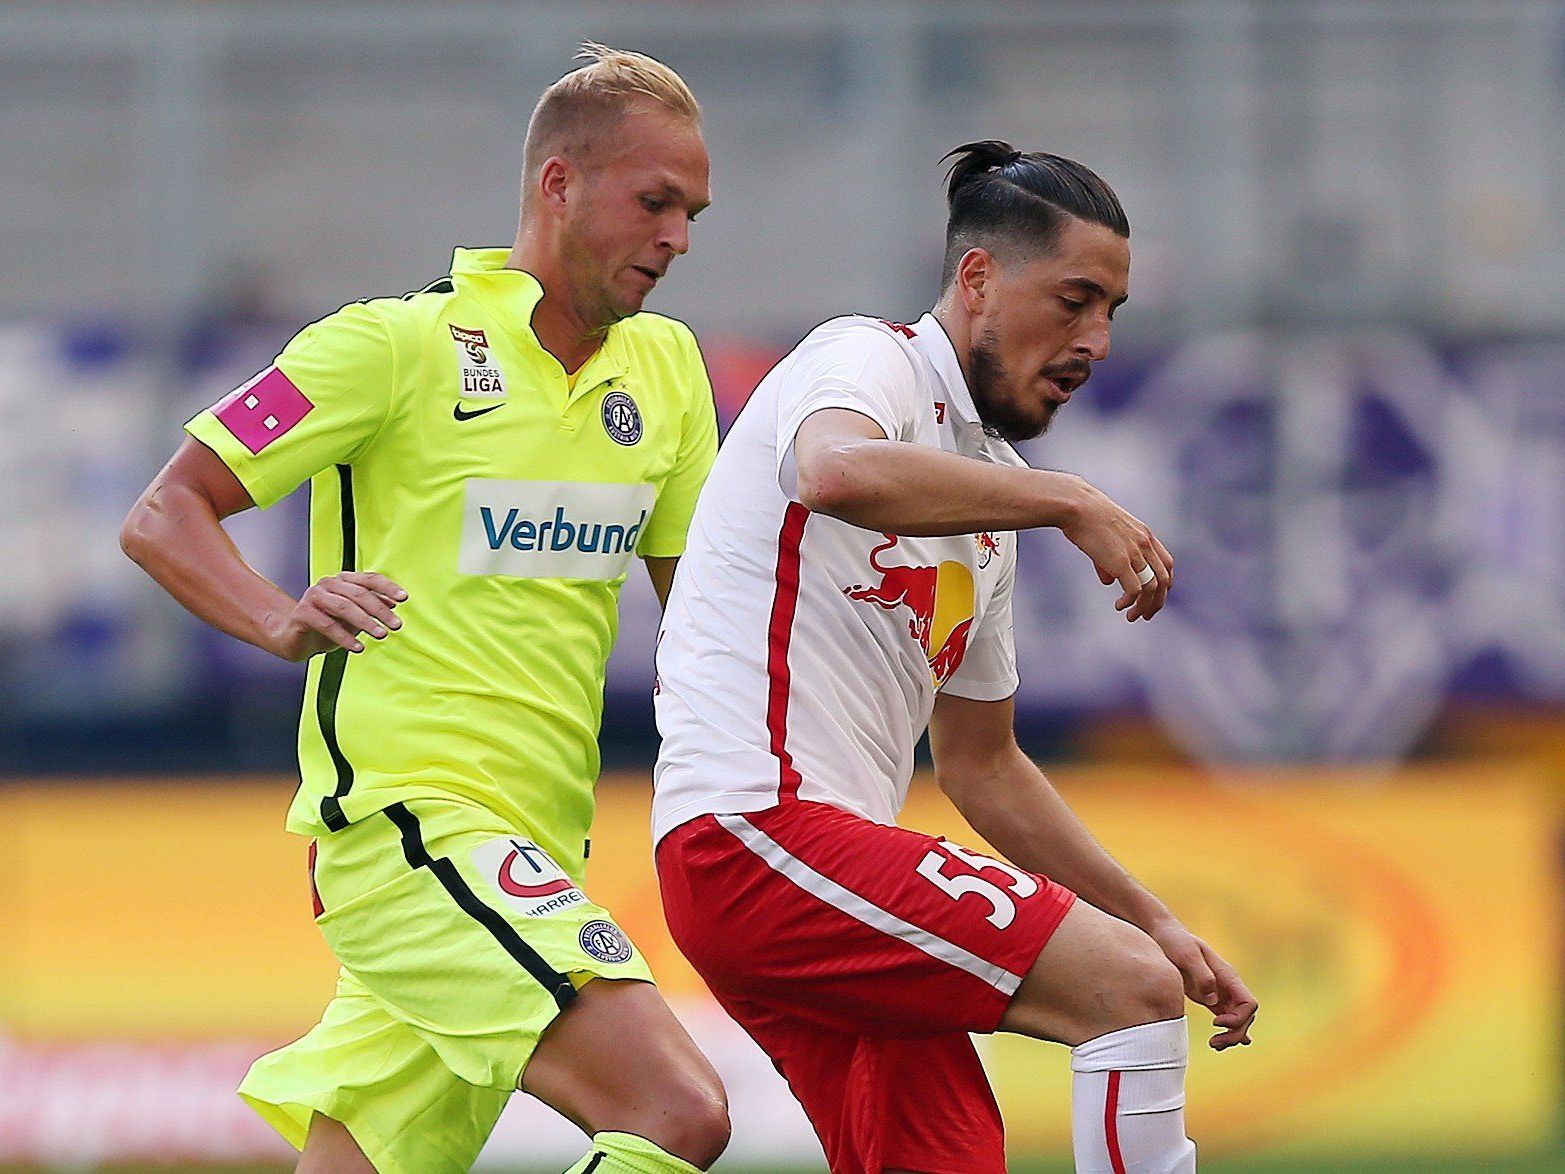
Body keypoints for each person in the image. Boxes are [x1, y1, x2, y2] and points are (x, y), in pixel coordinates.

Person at [121, 45, 728, 1174]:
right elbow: (166, 515)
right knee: (674, 1112)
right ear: (558, 185)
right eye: (655, 202)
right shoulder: (392, 346)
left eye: (691, 213)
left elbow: (706, 618)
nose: (677, 238)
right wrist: (276, 619)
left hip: (539, 843)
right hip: (412, 832)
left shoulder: (669, 372)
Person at [651, 140, 1258, 1174]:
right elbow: (830, 469)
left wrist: (1150, 916)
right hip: (755, 831)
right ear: (975, 277)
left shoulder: (982, 493)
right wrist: (1071, 498)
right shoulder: (868, 358)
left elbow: (981, 765)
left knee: (948, 1157)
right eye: (1072, 300)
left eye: (1110, 310)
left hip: (803, 878)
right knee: (1127, 995)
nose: (1096, 339)